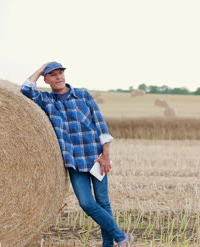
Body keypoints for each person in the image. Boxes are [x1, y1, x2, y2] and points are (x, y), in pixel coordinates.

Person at [20, 62, 133, 247]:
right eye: (53, 75)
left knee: (103, 203)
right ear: (46, 79)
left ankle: (110, 244)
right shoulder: (47, 100)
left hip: (96, 157)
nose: (58, 77)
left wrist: (105, 155)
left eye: (60, 73)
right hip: (73, 161)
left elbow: (101, 125)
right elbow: (25, 90)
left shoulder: (83, 95)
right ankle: (121, 237)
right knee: (87, 204)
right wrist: (41, 69)